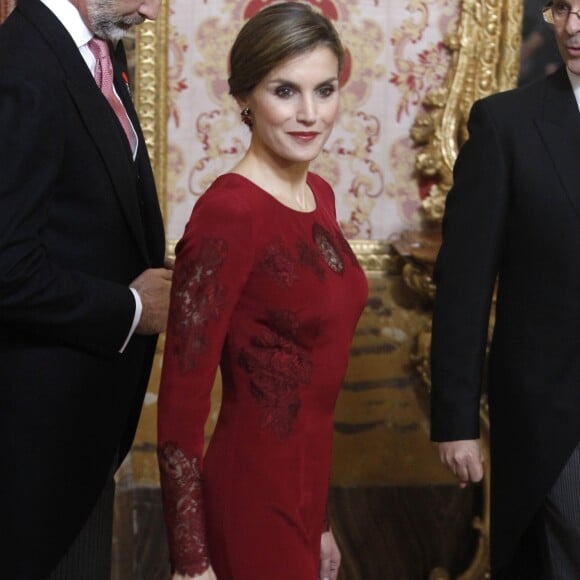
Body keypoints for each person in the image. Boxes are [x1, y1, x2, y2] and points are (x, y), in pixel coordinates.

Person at [156, 3, 368, 579]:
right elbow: (181, 404)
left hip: (305, 492)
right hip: (249, 496)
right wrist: (191, 559)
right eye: (285, 91)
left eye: (324, 90)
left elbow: (313, 386)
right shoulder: (229, 212)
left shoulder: (319, 195)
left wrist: (321, 519)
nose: (309, 114)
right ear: (245, 97)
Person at [0, 0, 171, 578]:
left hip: (85, 433)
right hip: (35, 451)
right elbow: (6, 270)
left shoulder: (99, 51)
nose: (150, 11)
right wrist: (131, 307)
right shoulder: (21, 65)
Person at [430, 0, 580, 577]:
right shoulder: (505, 124)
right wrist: (456, 420)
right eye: (561, 7)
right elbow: (465, 283)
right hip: (556, 427)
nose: (572, 26)